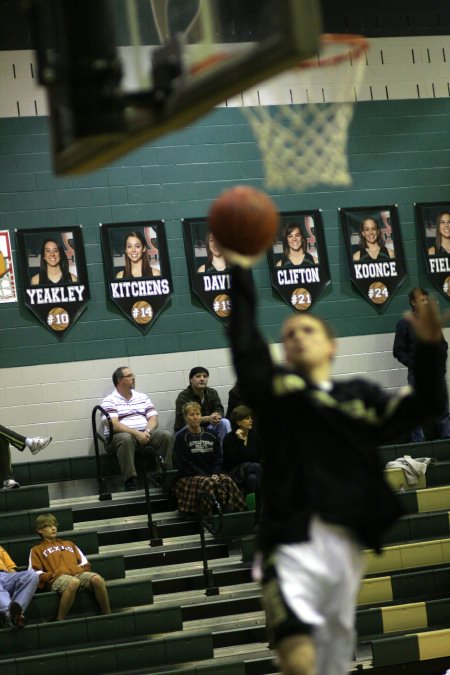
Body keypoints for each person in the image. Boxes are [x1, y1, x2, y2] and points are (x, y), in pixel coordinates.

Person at [227, 259, 446, 675]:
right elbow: (244, 345)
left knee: (333, 660)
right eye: (288, 334)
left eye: (307, 329)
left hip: (340, 544)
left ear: (331, 345)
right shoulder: (276, 394)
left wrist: (432, 349)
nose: (295, 336)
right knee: (299, 655)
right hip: (286, 540)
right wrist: (239, 269)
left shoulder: (358, 395)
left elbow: (428, 404)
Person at [101, 366, 173, 491]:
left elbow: (153, 419)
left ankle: (164, 475)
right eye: (129, 376)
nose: (133, 378)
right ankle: (130, 480)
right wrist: (136, 433)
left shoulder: (142, 397)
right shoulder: (109, 400)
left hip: (144, 433)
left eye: (132, 375)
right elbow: (114, 424)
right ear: (120, 380)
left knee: (166, 436)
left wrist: (146, 432)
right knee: (125, 438)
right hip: (118, 439)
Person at [393, 287, 450, 442]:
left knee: (442, 408)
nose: (425, 302)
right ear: (413, 302)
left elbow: (443, 345)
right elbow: (398, 350)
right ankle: (418, 443)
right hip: (417, 374)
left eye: (426, 299)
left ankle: (446, 439)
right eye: (421, 299)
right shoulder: (404, 324)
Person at [29, 513, 110, 621]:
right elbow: (34, 572)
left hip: (77, 574)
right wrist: (52, 575)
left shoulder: (69, 544)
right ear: (40, 530)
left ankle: (106, 613)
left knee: (97, 579)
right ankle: (60, 619)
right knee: (74, 582)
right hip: (57, 579)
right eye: (48, 526)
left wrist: (76, 570)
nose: (53, 528)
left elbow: (85, 564)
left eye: (54, 525)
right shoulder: (36, 549)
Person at [174, 402, 246, 516]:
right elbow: (186, 464)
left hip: (211, 474)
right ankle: (208, 517)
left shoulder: (211, 434)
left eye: (198, 414)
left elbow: (218, 459)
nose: (195, 417)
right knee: (209, 483)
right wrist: (208, 476)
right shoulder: (181, 437)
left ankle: (234, 513)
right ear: (186, 417)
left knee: (227, 479)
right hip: (190, 476)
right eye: (191, 414)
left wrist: (215, 474)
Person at [174, 367, 231, 446]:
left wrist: (216, 416)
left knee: (224, 422)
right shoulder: (183, 396)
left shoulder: (212, 392)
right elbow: (183, 420)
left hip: (208, 428)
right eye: (198, 376)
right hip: (187, 430)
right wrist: (207, 418)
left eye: (205, 376)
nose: (202, 379)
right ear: (190, 380)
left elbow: (219, 409)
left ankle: (224, 455)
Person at [222, 405, 262, 495]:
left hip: (252, 471)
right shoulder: (229, 438)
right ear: (238, 422)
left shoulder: (255, 436)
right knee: (257, 467)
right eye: (247, 418)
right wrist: (241, 441)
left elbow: (256, 457)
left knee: (252, 478)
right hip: (235, 472)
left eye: (251, 418)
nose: (251, 420)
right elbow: (232, 461)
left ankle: (254, 506)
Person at [0, 544, 38, 628]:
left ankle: (14, 614)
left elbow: (11, 568)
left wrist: (16, 582)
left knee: (32, 575)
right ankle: (13, 616)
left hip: (5, 576)